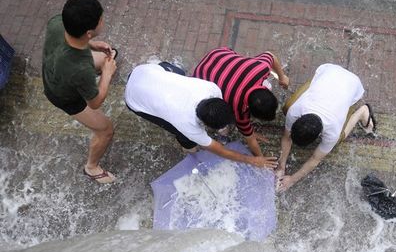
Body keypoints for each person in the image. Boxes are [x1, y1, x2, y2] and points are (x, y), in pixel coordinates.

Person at [125, 63, 279, 169]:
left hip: (146, 71)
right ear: (206, 125)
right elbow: (221, 150)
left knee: (180, 73)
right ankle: (189, 150)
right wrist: (253, 160)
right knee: (184, 137)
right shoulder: (188, 124)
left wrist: (248, 132)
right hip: (134, 97)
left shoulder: (211, 88)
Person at [42, 0, 117, 184]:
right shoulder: (81, 69)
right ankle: (91, 168)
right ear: (90, 32)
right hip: (63, 95)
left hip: (55, 66)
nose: (103, 20)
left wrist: (91, 45)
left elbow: (73, 39)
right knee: (106, 129)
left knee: (102, 58)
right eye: (101, 18)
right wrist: (107, 74)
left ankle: (101, 63)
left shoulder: (57, 22)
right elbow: (95, 101)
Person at [275, 63, 376, 192]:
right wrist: (281, 166)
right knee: (287, 107)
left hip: (353, 85)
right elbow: (286, 137)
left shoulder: (332, 131)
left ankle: (362, 112)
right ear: (299, 119)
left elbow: (315, 159)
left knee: (338, 140)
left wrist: (292, 179)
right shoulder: (295, 111)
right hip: (327, 71)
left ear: (319, 135)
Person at [192, 47, 290, 157]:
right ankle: (223, 130)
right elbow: (250, 140)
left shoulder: (261, 68)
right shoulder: (238, 111)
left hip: (218, 55)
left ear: (265, 90)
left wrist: (282, 77)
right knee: (222, 117)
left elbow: (270, 55)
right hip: (200, 78)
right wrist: (260, 159)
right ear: (248, 109)